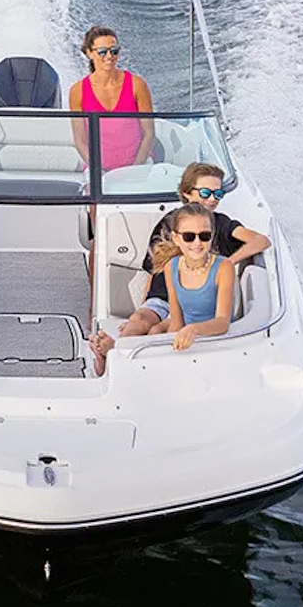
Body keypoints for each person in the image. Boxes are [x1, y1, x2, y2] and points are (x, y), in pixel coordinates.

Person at [120, 163, 271, 338]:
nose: (212, 199)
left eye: (218, 193)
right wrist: (143, 306)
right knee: (139, 320)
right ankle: (116, 350)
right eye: (205, 193)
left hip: (196, 303)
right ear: (187, 193)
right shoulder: (168, 223)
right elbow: (154, 270)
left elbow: (260, 240)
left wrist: (229, 262)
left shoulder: (221, 224)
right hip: (162, 298)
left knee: (158, 330)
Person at [93, 204, 235, 362]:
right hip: (184, 336)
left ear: (212, 236)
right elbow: (176, 321)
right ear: (176, 238)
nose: (197, 243)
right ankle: (116, 355)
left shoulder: (224, 267)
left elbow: (223, 322)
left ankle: (115, 352)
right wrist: (168, 345)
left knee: (155, 337)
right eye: (189, 236)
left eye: (204, 236)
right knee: (154, 333)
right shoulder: (172, 266)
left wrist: (194, 329)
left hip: (212, 338)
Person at [67, 25, 154, 172]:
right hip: (97, 169)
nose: (109, 56)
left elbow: (149, 133)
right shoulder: (77, 91)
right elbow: (80, 141)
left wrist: (135, 168)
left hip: (139, 165)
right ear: (89, 53)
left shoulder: (137, 85)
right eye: (102, 51)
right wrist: (98, 170)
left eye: (114, 50)